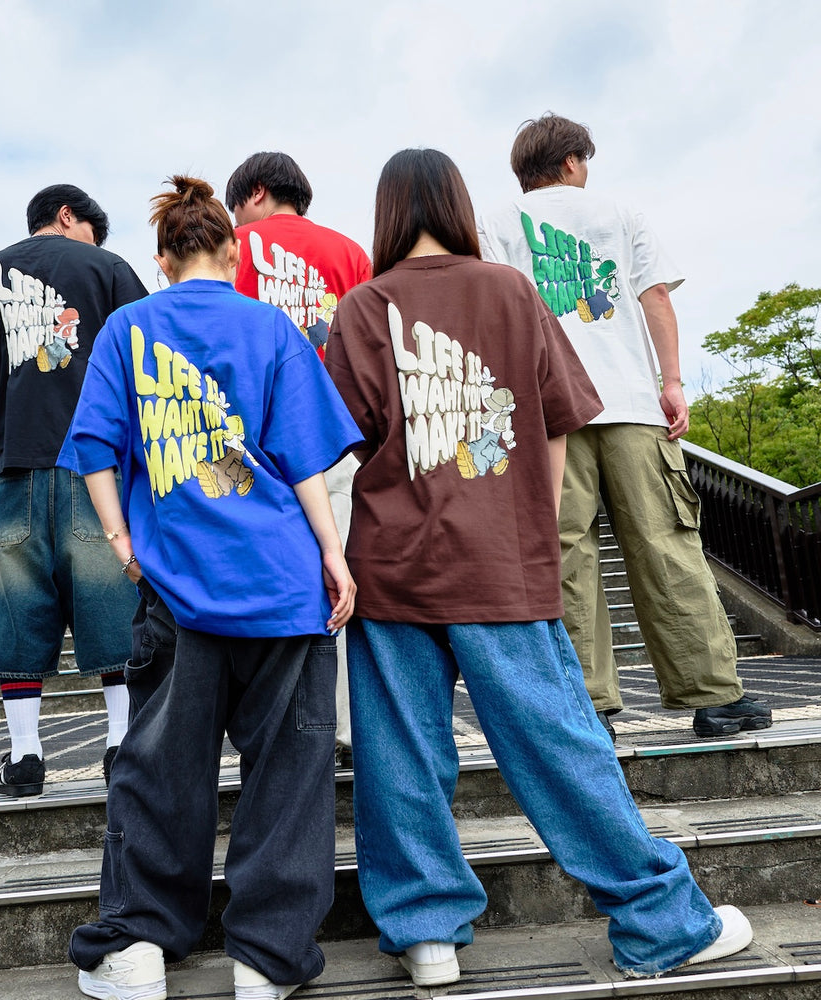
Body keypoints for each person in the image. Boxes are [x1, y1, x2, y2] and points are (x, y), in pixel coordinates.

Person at [324, 147, 753, 986]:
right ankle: (659, 920)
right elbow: (557, 420)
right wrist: (534, 517)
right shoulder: (512, 292)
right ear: (455, 205)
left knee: (399, 756)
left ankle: (426, 935)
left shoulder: (362, 307)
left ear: (385, 214)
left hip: (392, 565)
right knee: (558, 744)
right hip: (502, 559)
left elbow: (341, 441)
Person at [60, 176, 361, 1000]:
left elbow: (91, 448)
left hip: (176, 590)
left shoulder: (127, 328)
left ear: (161, 260)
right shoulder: (268, 326)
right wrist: (334, 558)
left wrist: (124, 543)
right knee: (290, 774)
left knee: (159, 771)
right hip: (283, 588)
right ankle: (265, 959)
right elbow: (304, 460)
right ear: (234, 254)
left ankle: (138, 947)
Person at [480, 114, 772, 741]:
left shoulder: (498, 223)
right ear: (571, 162)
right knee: (666, 542)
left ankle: (589, 706)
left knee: (565, 550)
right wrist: (672, 382)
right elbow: (656, 298)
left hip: (549, 410)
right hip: (632, 404)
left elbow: (495, 314)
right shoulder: (621, 213)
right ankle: (714, 697)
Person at [0, 184, 149, 796]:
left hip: (19, 466)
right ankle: (119, 745)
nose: (94, 246)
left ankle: (25, 756)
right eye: (90, 231)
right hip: (96, 466)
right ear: (67, 216)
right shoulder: (109, 269)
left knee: (16, 608)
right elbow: (142, 365)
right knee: (113, 603)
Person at [225, 151, 371, 765]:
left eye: (237, 204)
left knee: (248, 578)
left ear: (256, 193)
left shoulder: (226, 248)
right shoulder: (350, 253)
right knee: (337, 583)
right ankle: (337, 728)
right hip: (331, 438)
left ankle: (260, 728)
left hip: (243, 445)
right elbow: (370, 351)